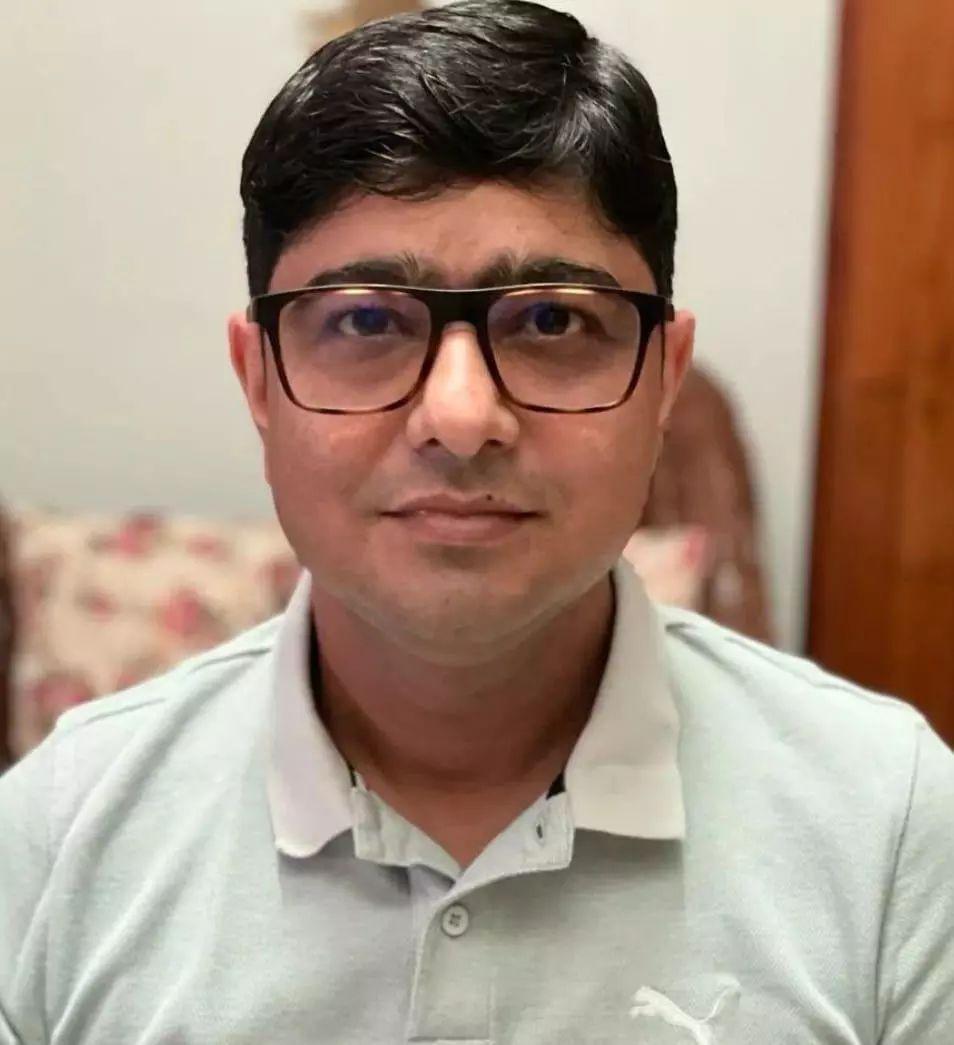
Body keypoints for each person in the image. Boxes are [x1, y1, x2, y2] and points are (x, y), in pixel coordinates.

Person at [2, 1, 952, 1041]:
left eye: (552, 319)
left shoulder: (891, 829)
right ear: (259, 380)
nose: (460, 417)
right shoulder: (58, 836)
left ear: (664, 379)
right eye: (366, 319)